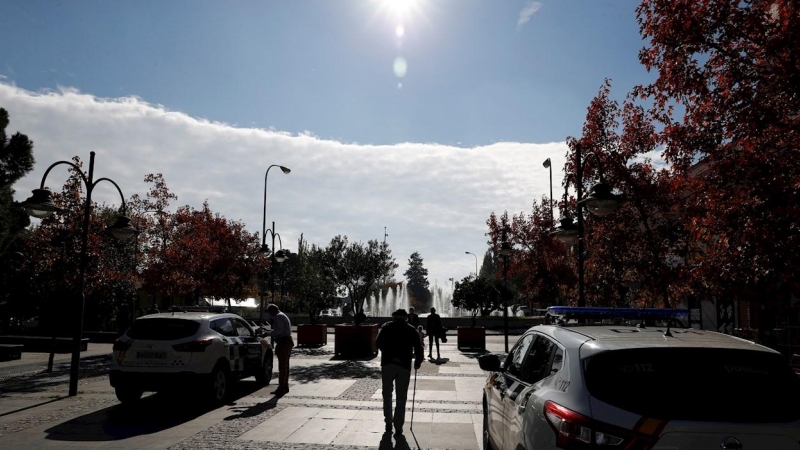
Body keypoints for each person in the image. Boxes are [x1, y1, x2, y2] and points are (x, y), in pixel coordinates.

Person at [376, 308, 424, 436]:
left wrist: (389, 354)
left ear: (394, 317)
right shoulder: (411, 329)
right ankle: (398, 426)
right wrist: (418, 361)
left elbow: (378, 343)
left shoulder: (386, 327)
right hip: (404, 365)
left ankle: (388, 422)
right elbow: (419, 348)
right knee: (401, 397)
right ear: (405, 318)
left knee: (387, 395)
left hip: (387, 364)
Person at [266, 303, 294, 396]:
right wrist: (268, 332)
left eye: (269, 312)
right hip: (286, 342)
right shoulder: (282, 315)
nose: (270, 315)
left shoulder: (278, 317)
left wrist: (267, 334)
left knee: (282, 366)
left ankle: (282, 387)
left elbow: (278, 331)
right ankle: (284, 386)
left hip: (283, 342)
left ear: (272, 311)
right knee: (285, 366)